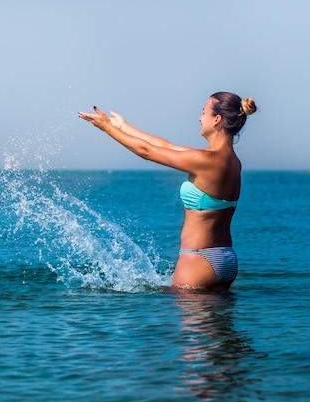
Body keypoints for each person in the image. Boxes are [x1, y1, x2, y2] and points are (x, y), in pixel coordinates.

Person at [78, 92, 257, 291]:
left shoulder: (206, 161)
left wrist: (107, 129)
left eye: (203, 112)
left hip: (198, 260)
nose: (199, 118)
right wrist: (124, 127)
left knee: (191, 321)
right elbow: (166, 146)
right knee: (220, 322)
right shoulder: (232, 162)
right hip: (226, 258)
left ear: (217, 119)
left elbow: (146, 152)